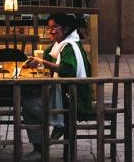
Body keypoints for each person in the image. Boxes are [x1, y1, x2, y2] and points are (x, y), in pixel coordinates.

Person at [21, 13, 94, 161]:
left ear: (66, 29)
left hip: (74, 100)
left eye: (54, 28)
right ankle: (45, 141)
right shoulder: (61, 45)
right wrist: (35, 60)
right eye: (49, 28)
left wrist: (43, 62)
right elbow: (48, 56)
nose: (50, 31)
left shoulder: (70, 47)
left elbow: (68, 70)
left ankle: (42, 147)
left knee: (28, 103)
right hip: (65, 94)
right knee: (29, 97)